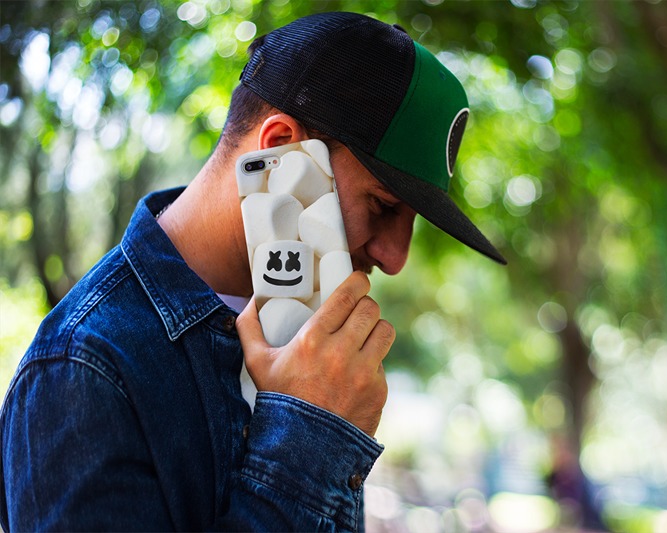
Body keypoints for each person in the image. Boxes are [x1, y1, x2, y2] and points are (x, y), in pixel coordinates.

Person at [0, 11, 505, 531]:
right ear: (281, 148)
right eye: (382, 205)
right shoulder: (82, 369)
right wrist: (310, 433)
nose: (395, 258)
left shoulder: (306, 340)